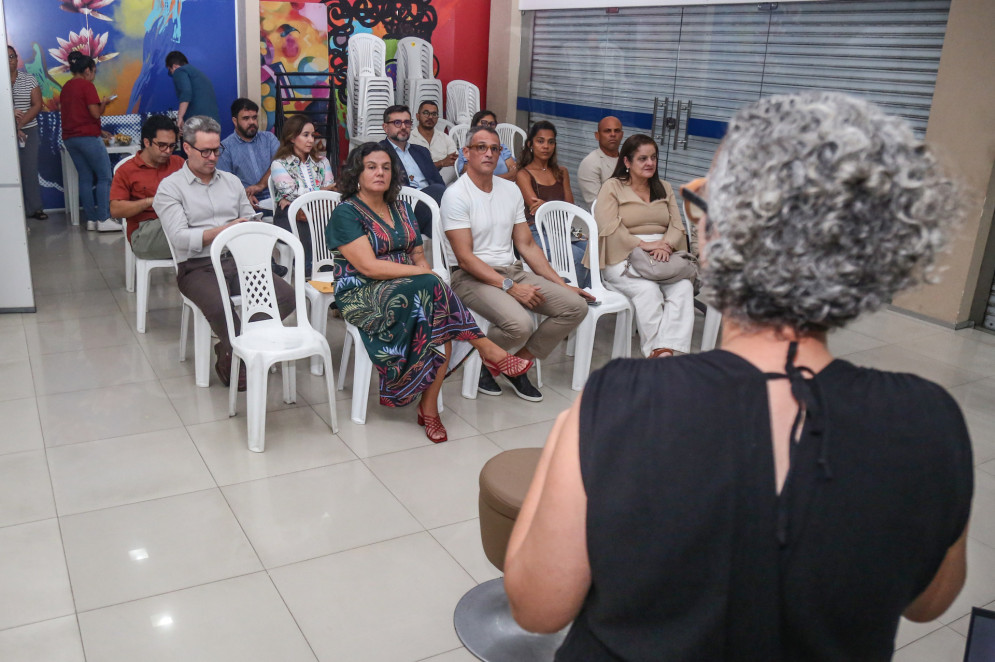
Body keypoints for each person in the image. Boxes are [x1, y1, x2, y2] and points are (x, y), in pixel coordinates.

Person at [504, 92, 973, 661]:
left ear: (714, 235)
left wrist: (569, 439)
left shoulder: (620, 403)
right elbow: (928, 602)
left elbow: (536, 606)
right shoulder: (929, 422)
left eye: (703, 200)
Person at [326, 142, 531, 443]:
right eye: (371, 167)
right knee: (433, 288)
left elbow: (419, 256)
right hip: (363, 292)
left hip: (411, 289)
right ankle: (487, 350)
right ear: (358, 172)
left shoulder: (401, 207)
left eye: (385, 167)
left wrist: (425, 273)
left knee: (438, 318)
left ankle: (430, 406)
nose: (380, 173)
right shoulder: (346, 213)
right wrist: (424, 274)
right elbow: (369, 268)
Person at [443, 125, 592, 402]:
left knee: (575, 307)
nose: (489, 154)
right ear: (466, 153)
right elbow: (465, 257)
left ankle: (513, 366)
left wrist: (562, 284)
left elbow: (527, 245)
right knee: (521, 325)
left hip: (512, 270)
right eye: (481, 148)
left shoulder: (510, 190)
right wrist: (510, 287)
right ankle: (487, 359)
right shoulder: (456, 195)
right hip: (469, 277)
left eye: (495, 149)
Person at [154, 116, 295, 391]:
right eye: (205, 151)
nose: (212, 157)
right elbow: (180, 239)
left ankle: (233, 348)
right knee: (220, 307)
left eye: (217, 150)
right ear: (187, 148)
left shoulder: (231, 182)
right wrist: (226, 230)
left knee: (287, 297)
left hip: (240, 262)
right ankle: (239, 353)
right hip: (197, 266)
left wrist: (253, 228)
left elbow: (248, 220)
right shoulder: (170, 188)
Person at [592, 134, 694, 358]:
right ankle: (656, 354)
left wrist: (664, 245)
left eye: (653, 158)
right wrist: (644, 245)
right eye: (643, 158)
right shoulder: (612, 187)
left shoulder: (663, 188)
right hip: (623, 255)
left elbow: (677, 226)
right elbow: (608, 226)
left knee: (684, 288)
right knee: (648, 291)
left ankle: (663, 350)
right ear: (627, 162)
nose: (650, 163)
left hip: (661, 255)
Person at [515, 120, 590, 289]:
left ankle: (590, 295)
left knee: (591, 248)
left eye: (551, 142)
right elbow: (537, 210)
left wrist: (548, 205)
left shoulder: (561, 171)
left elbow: (569, 207)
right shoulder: (523, 173)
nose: (546, 146)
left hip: (564, 228)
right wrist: (553, 206)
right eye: (540, 141)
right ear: (530, 144)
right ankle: (573, 297)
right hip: (536, 229)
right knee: (577, 255)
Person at [109, 115, 183, 259]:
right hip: (144, 234)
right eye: (162, 145)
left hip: (178, 223)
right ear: (147, 142)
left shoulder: (178, 163)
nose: (168, 151)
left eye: (172, 146)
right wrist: (151, 201)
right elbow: (115, 210)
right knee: (205, 238)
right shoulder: (127, 170)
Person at [270, 114, 335, 278]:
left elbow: (329, 192)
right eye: (305, 135)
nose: (311, 140)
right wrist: (320, 193)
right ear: (292, 137)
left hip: (319, 211)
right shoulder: (279, 163)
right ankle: (309, 267)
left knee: (338, 216)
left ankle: (332, 264)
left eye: (313, 135)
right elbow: (290, 192)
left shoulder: (322, 161)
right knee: (299, 216)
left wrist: (306, 199)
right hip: (291, 215)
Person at [60, 51, 119, 232]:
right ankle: (104, 218)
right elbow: (94, 114)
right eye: (93, 72)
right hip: (88, 139)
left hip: (70, 139)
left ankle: (92, 220)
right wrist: (103, 104)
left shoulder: (66, 88)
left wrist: (99, 130)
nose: (93, 76)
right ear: (87, 70)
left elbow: (76, 116)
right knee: (104, 176)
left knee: (85, 177)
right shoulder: (86, 86)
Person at [379, 104, 446, 238]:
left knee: (439, 224)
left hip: (430, 207)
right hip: (403, 208)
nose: (403, 127)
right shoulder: (379, 152)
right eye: (397, 123)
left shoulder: (421, 151)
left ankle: (444, 257)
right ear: (386, 127)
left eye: (407, 122)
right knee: (439, 191)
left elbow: (438, 180)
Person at [217, 98, 280, 211]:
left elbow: (280, 165)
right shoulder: (225, 148)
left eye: (254, 118)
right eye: (246, 118)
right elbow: (225, 184)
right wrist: (242, 198)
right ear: (235, 121)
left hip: (276, 200)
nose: (252, 122)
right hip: (245, 205)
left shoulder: (269, 139)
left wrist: (260, 186)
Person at [9, 45, 44, 220]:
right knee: (8, 172)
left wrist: (19, 125)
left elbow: (37, 104)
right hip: (5, 133)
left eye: (12, 57)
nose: (9, 61)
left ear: (17, 58)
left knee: (29, 169)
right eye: (6, 57)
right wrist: (12, 127)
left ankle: (34, 209)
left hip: (28, 129)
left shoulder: (29, 79)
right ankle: (13, 212)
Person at [455, 109, 517, 180]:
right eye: (484, 123)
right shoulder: (468, 150)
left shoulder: (501, 148)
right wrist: (505, 177)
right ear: (475, 125)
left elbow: (514, 173)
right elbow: (473, 178)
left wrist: (491, 180)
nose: (488, 126)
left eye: (492, 124)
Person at [408, 100, 458, 184]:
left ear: (437, 118)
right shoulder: (409, 139)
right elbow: (411, 168)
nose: (430, 117)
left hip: (444, 178)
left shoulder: (445, 138)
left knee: (453, 166)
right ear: (417, 116)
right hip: (418, 180)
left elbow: (454, 161)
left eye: (434, 114)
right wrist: (441, 163)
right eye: (426, 113)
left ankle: (435, 188)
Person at [165, 50, 219, 127]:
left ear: (174, 66)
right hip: (213, 124)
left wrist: (180, 118)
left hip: (199, 124)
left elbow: (186, 92)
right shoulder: (197, 74)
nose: (172, 75)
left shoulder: (179, 71)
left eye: (170, 71)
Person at [577, 116, 623, 206]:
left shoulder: (628, 159)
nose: (613, 134)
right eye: (607, 131)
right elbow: (597, 205)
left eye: (617, 131)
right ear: (597, 136)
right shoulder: (590, 163)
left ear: (622, 135)